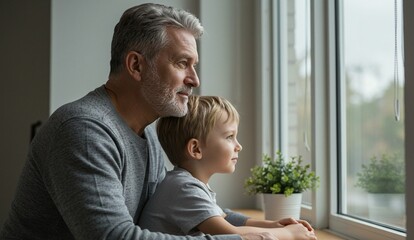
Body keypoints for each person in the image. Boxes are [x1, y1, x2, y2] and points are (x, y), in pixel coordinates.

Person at [0, 3, 279, 240]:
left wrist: (268, 227)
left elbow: (199, 207)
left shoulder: (147, 137)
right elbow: (115, 237)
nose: (195, 80)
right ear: (136, 65)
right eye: (183, 63)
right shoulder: (83, 130)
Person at [139, 95, 317, 240]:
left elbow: (222, 217)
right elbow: (229, 234)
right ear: (196, 149)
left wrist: (271, 225)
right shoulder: (184, 188)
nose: (238, 146)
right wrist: (289, 234)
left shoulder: (187, 183)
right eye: (229, 137)